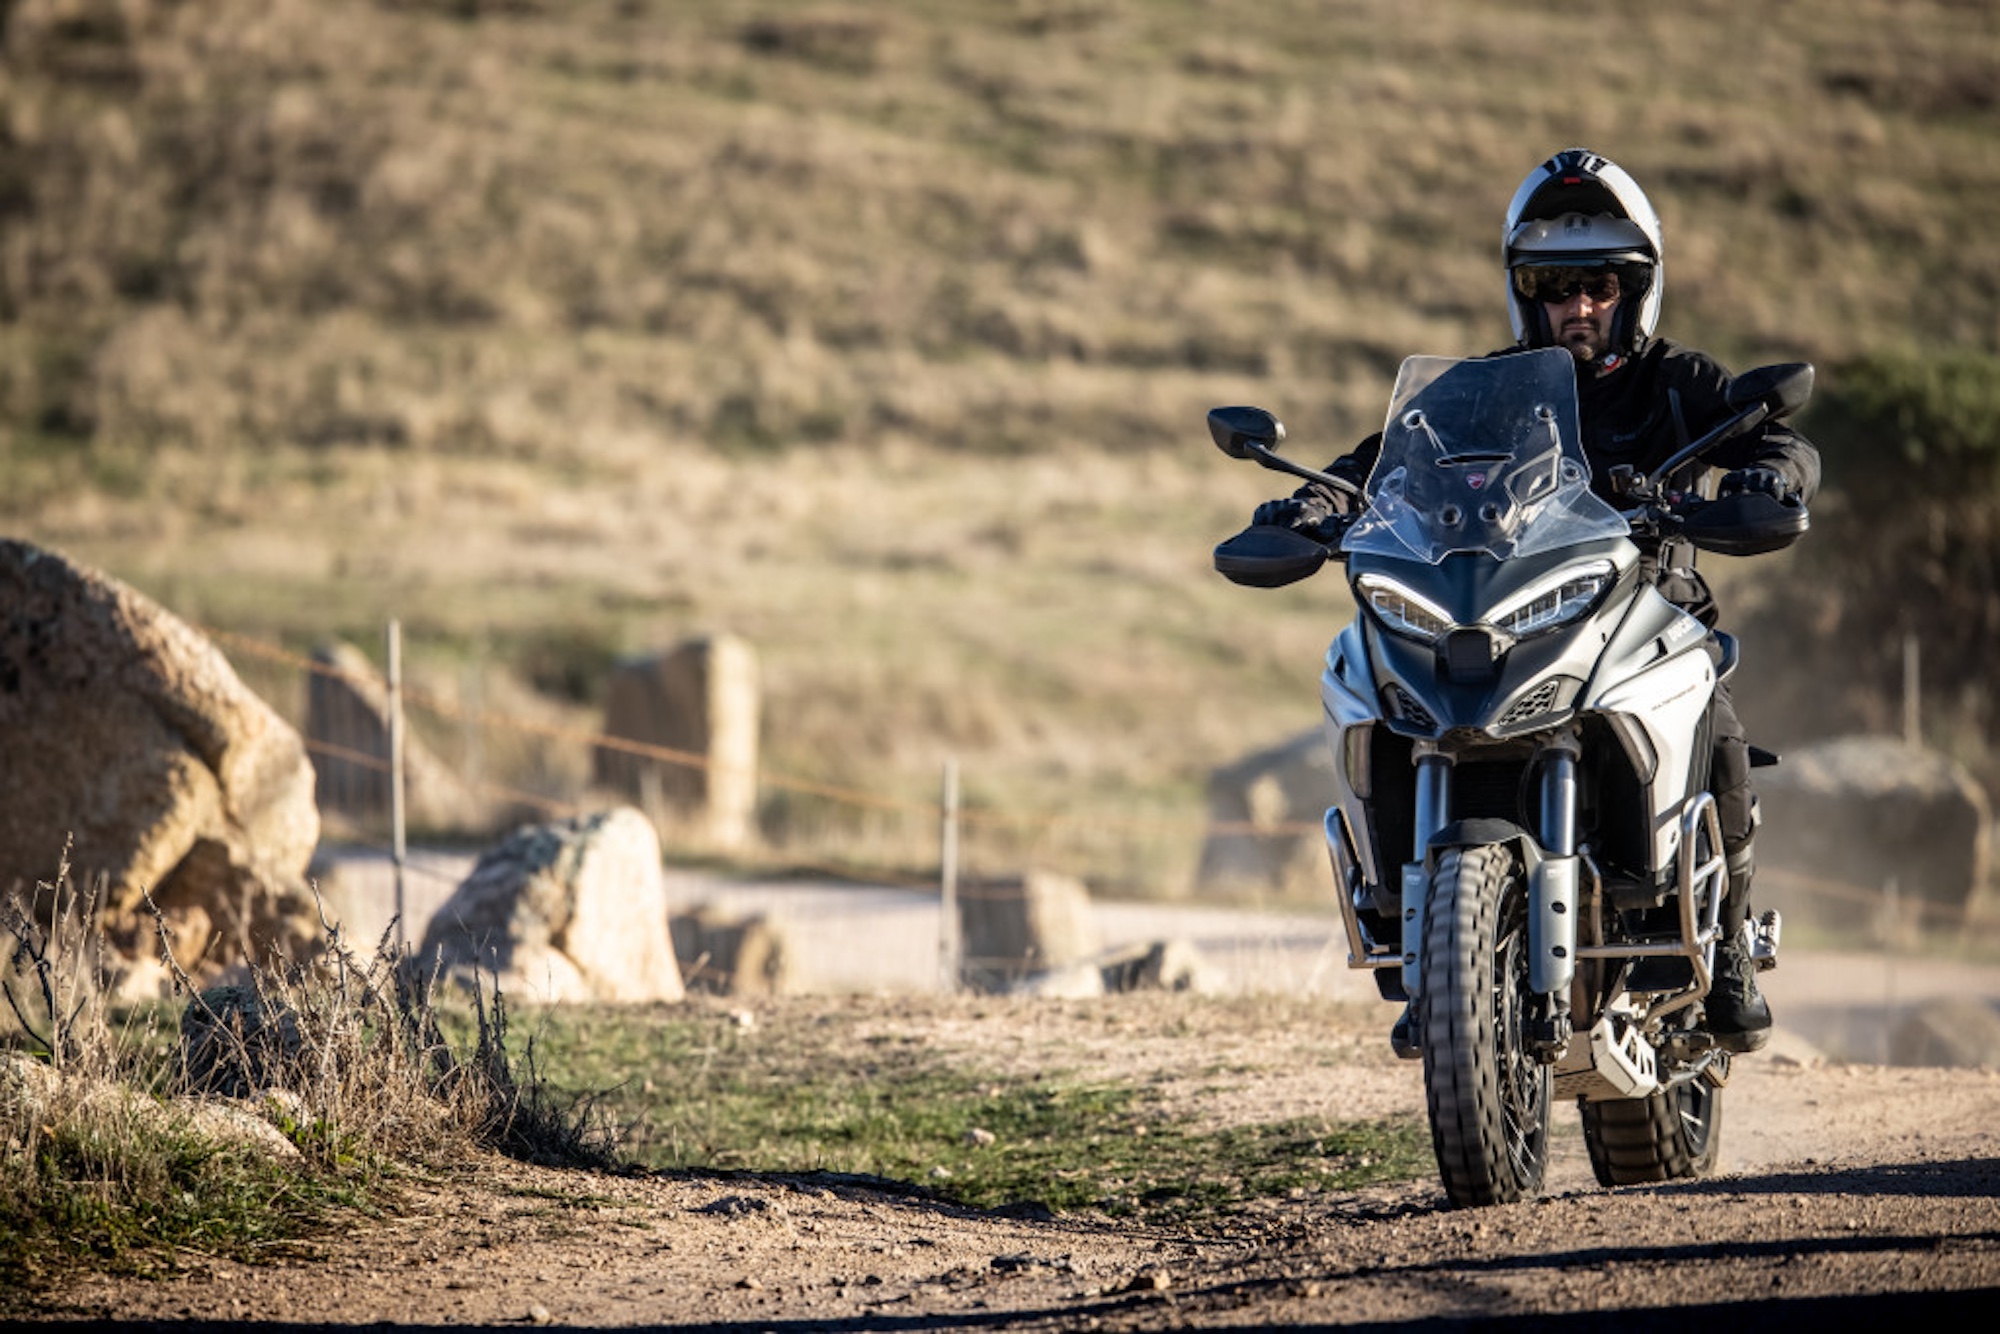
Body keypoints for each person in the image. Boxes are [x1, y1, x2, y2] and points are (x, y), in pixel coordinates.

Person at [1254, 148, 1820, 1053]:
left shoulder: (1678, 381)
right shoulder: (1477, 393)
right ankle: (1423, 945)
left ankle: (1733, 948)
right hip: (1512, 610)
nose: (1579, 304)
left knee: (1712, 708)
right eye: (1556, 284)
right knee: (1383, 687)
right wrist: (1312, 503)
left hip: (1641, 608)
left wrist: (1767, 473)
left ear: (1635, 289)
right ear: (1527, 292)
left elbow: (1775, 437)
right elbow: (1376, 466)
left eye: (1599, 283)